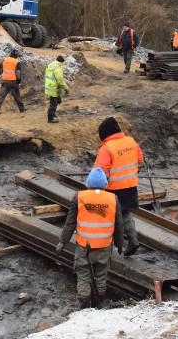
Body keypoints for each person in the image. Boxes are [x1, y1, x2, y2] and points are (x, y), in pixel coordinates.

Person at [55, 167, 124, 310]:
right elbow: (119, 224)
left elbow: (70, 222)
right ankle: (101, 300)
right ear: (105, 184)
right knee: (101, 275)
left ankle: (84, 305)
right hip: (104, 246)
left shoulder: (79, 197)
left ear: (88, 183)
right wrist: (119, 244)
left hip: (84, 247)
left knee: (83, 274)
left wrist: (62, 242)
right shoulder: (113, 199)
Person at [93, 117, 144, 256]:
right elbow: (140, 161)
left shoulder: (107, 148)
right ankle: (133, 241)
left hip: (113, 188)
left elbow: (101, 172)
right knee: (126, 214)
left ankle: (110, 246)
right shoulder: (131, 142)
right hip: (131, 186)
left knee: (107, 216)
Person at [0, 48, 25, 115]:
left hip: (4, 80)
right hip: (12, 81)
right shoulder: (17, 62)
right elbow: (18, 73)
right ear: (16, 55)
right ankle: (22, 109)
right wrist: (18, 81)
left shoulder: (5, 60)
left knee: (1, 96)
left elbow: (2, 70)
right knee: (17, 96)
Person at [44, 55, 68, 123]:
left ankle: (53, 114)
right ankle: (50, 118)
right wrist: (66, 88)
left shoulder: (51, 65)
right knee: (53, 103)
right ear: (62, 62)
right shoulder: (58, 68)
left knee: (57, 100)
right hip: (53, 88)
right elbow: (60, 81)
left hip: (49, 86)